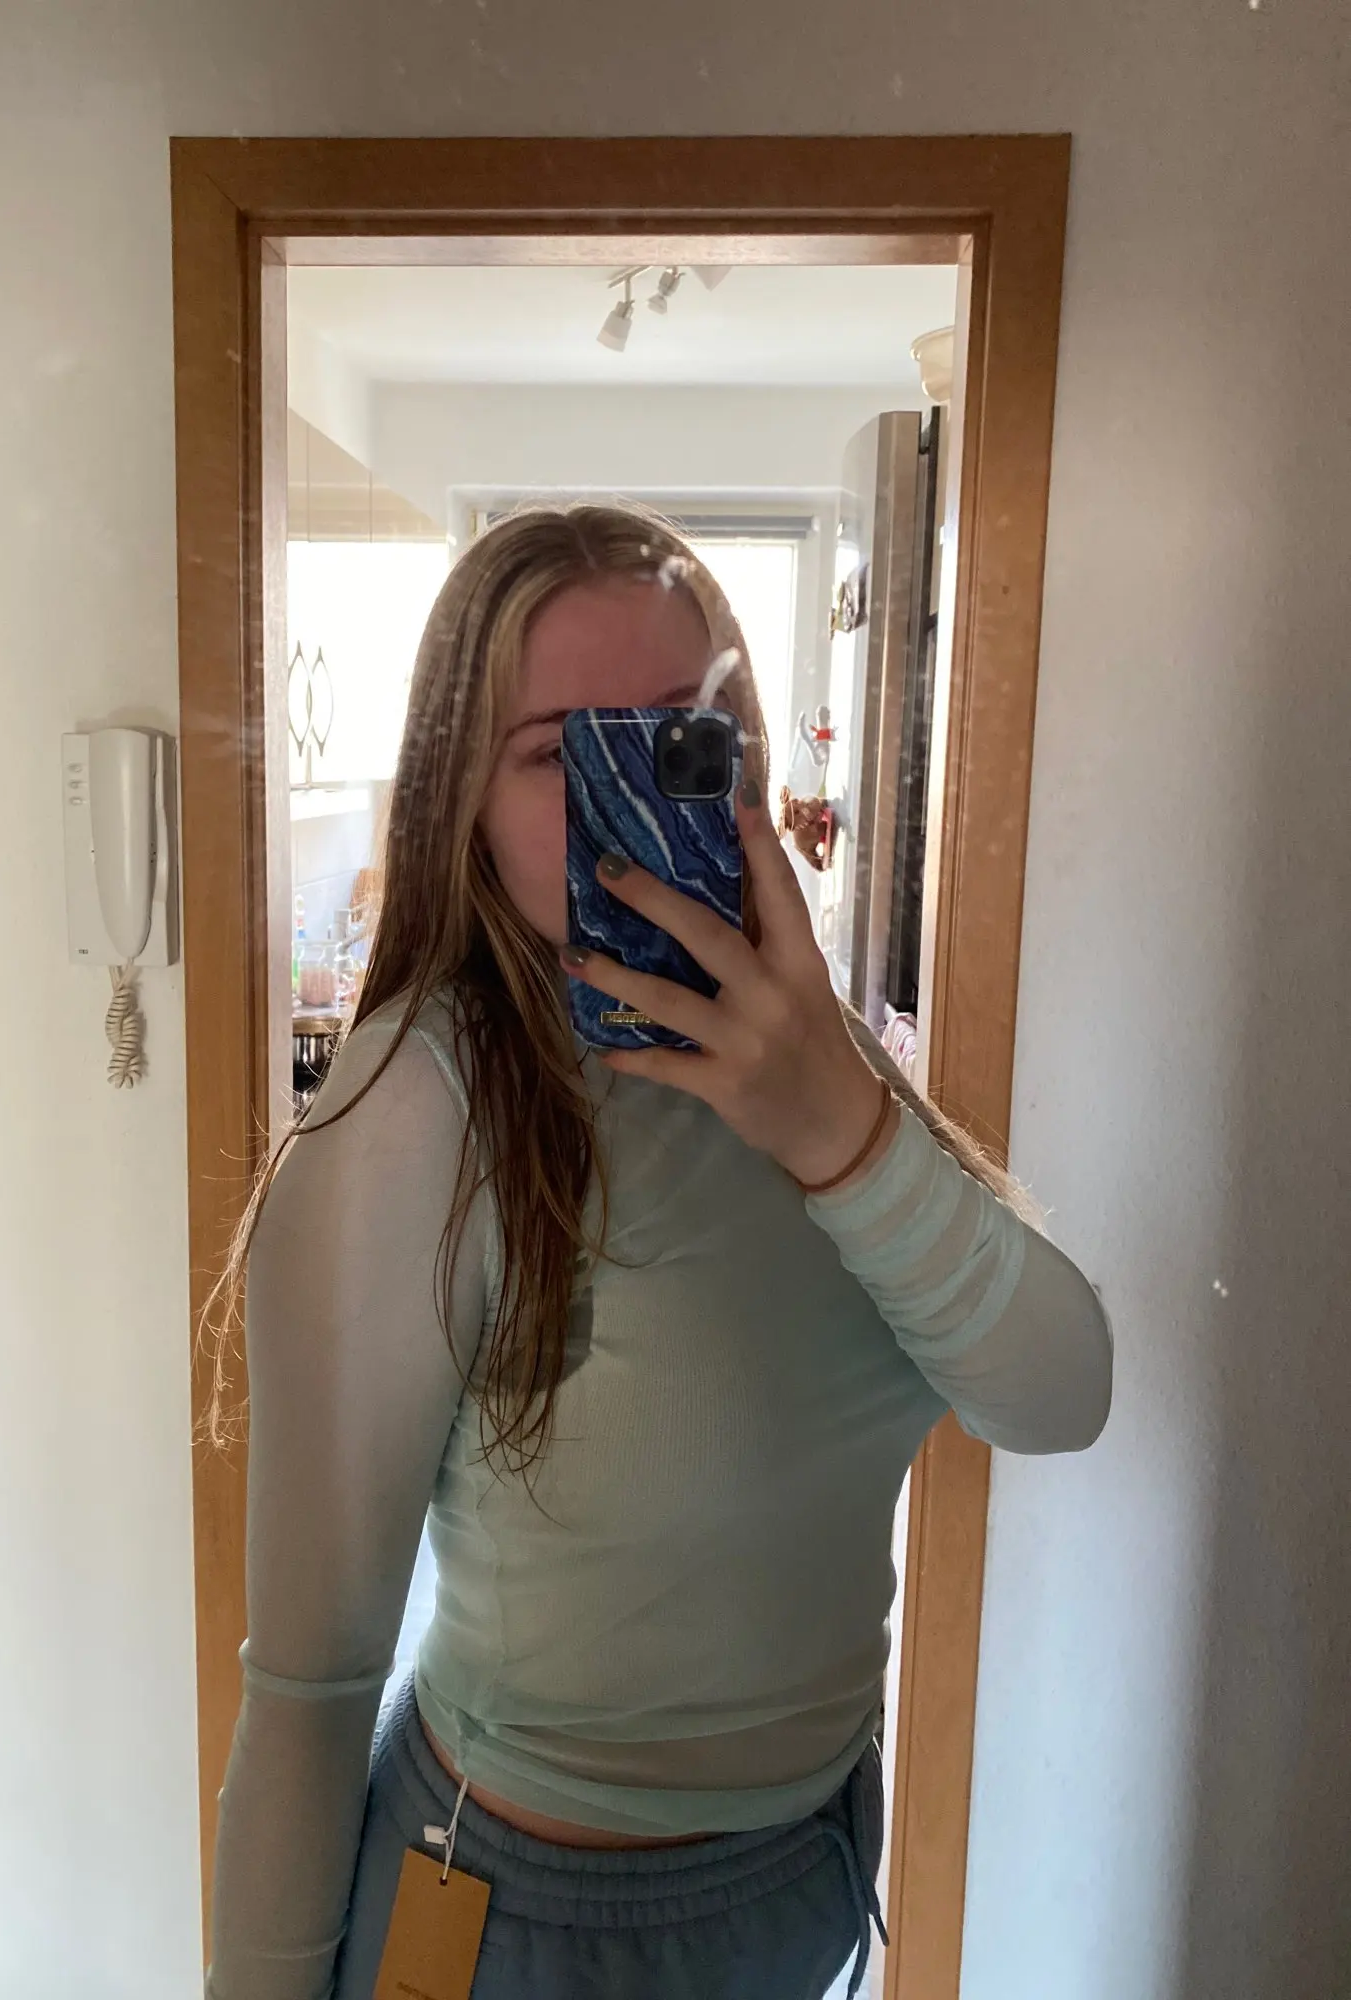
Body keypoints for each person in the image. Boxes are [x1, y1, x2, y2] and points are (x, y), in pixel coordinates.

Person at [202, 503, 1112, 2000]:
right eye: (558, 755)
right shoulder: (421, 1110)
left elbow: (1062, 1396)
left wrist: (836, 1125)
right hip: (524, 1925)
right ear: (460, 799)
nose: (627, 799)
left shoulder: (816, 1063)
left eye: (682, 741)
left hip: (808, 1880)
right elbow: (308, 1692)